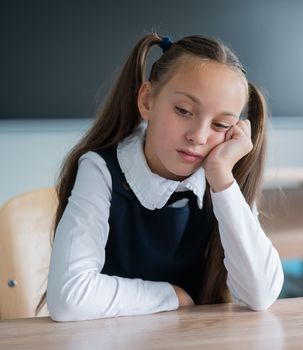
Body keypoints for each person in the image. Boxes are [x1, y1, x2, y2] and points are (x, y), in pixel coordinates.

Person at [40, 33, 284, 321]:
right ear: (147, 100)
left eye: (220, 124)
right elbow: (70, 298)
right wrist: (171, 296)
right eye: (183, 111)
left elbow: (261, 294)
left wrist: (222, 180)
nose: (199, 136)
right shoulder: (102, 170)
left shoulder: (222, 177)